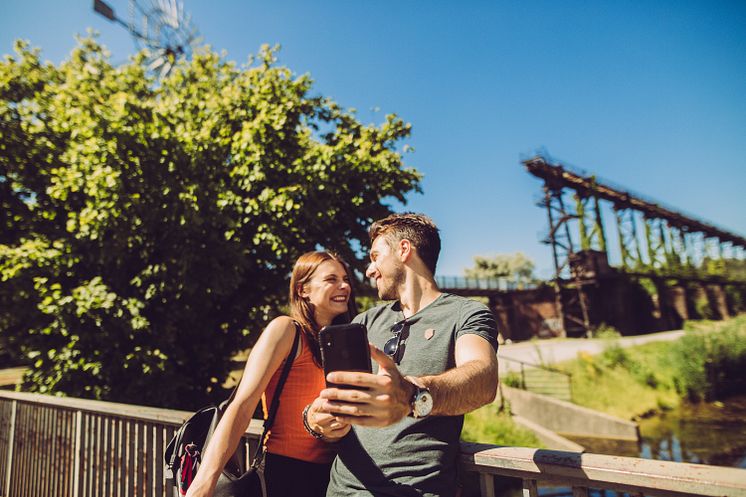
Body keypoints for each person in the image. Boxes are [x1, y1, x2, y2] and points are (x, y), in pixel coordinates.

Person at [305, 213, 499, 497]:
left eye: (375, 256)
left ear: (404, 250)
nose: (370, 270)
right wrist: (314, 420)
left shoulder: (466, 313)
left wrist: (410, 395)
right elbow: (335, 401)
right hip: (340, 491)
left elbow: (482, 378)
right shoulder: (363, 322)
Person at [185, 251, 356, 497]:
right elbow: (242, 405)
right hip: (284, 475)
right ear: (302, 290)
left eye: (346, 278)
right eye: (331, 279)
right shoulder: (286, 330)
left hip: (335, 477)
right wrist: (203, 485)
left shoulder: (346, 341)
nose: (344, 286)